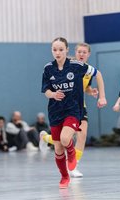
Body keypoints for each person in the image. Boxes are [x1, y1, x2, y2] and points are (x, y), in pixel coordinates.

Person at [40, 42, 107, 178]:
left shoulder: (85, 70)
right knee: (63, 139)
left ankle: (73, 166)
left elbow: (86, 87)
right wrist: (53, 94)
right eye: (79, 52)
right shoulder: (66, 66)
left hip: (78, 107)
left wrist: (94, 92)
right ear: (74, 53)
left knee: (81, 136)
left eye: (84, 52)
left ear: (88, 54)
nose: (81, 54)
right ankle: (46, 138)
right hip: (61, 108)